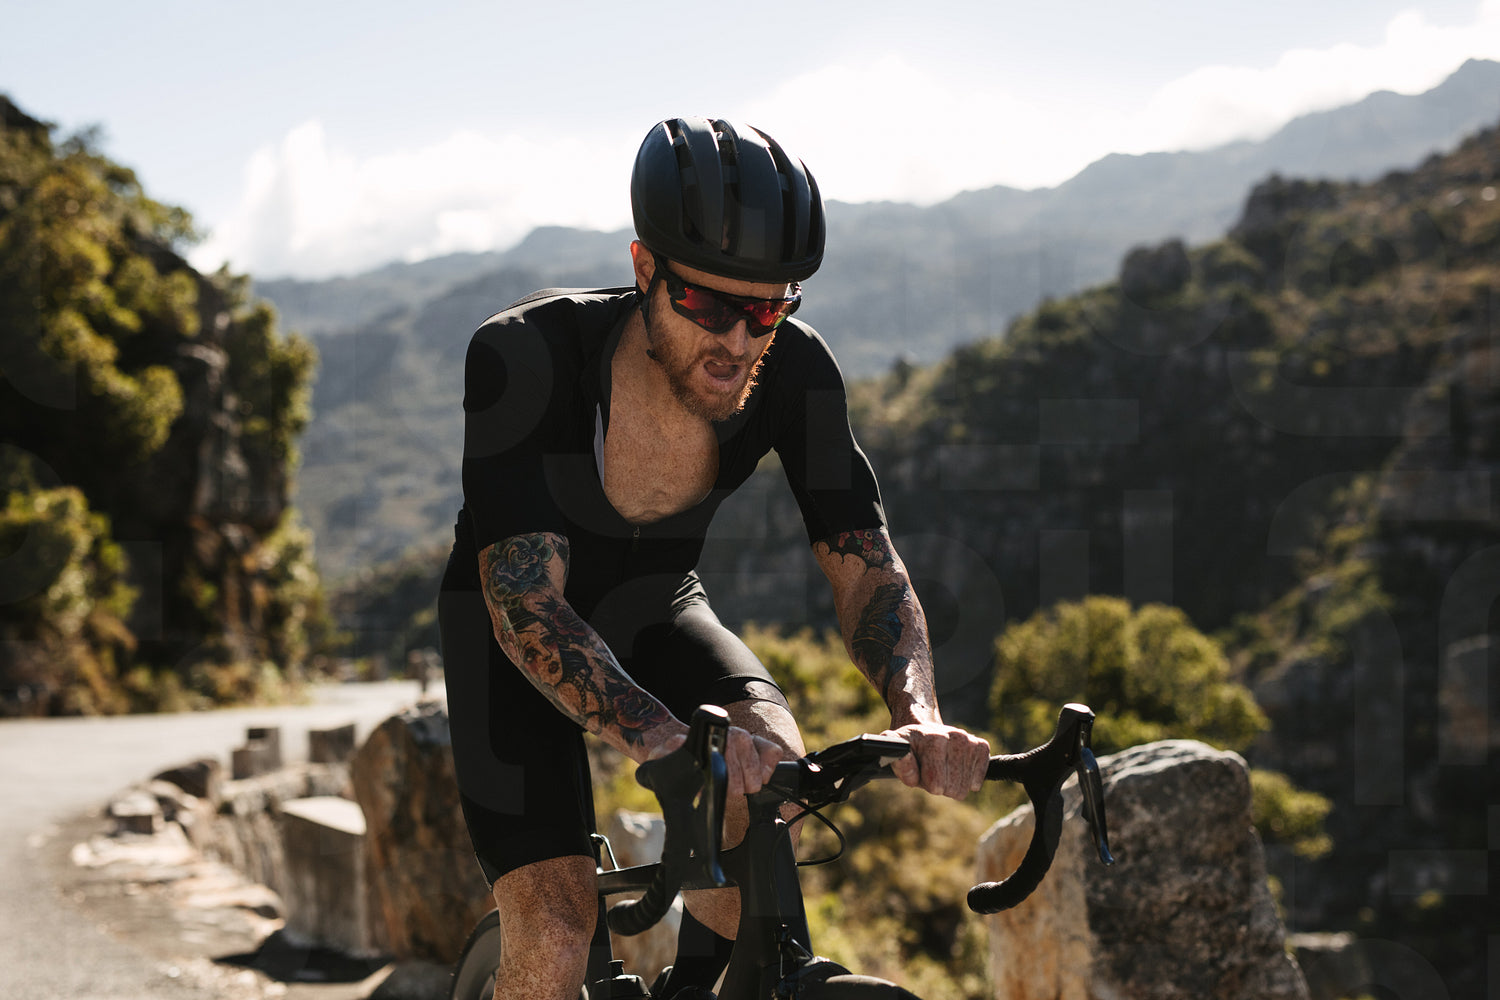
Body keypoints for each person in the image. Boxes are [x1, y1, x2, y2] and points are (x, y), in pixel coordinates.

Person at [438, 116, 991, 1000]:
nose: (738, 342)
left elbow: (865, 564)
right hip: (512, 632)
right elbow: (525, 607)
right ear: (644, 269)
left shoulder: (796, 372)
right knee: (555, 933)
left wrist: (916, 713)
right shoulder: (526, 353)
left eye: (767, 309)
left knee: (769, 786)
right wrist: (663, 736)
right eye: (708, 306)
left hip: (661, 607)